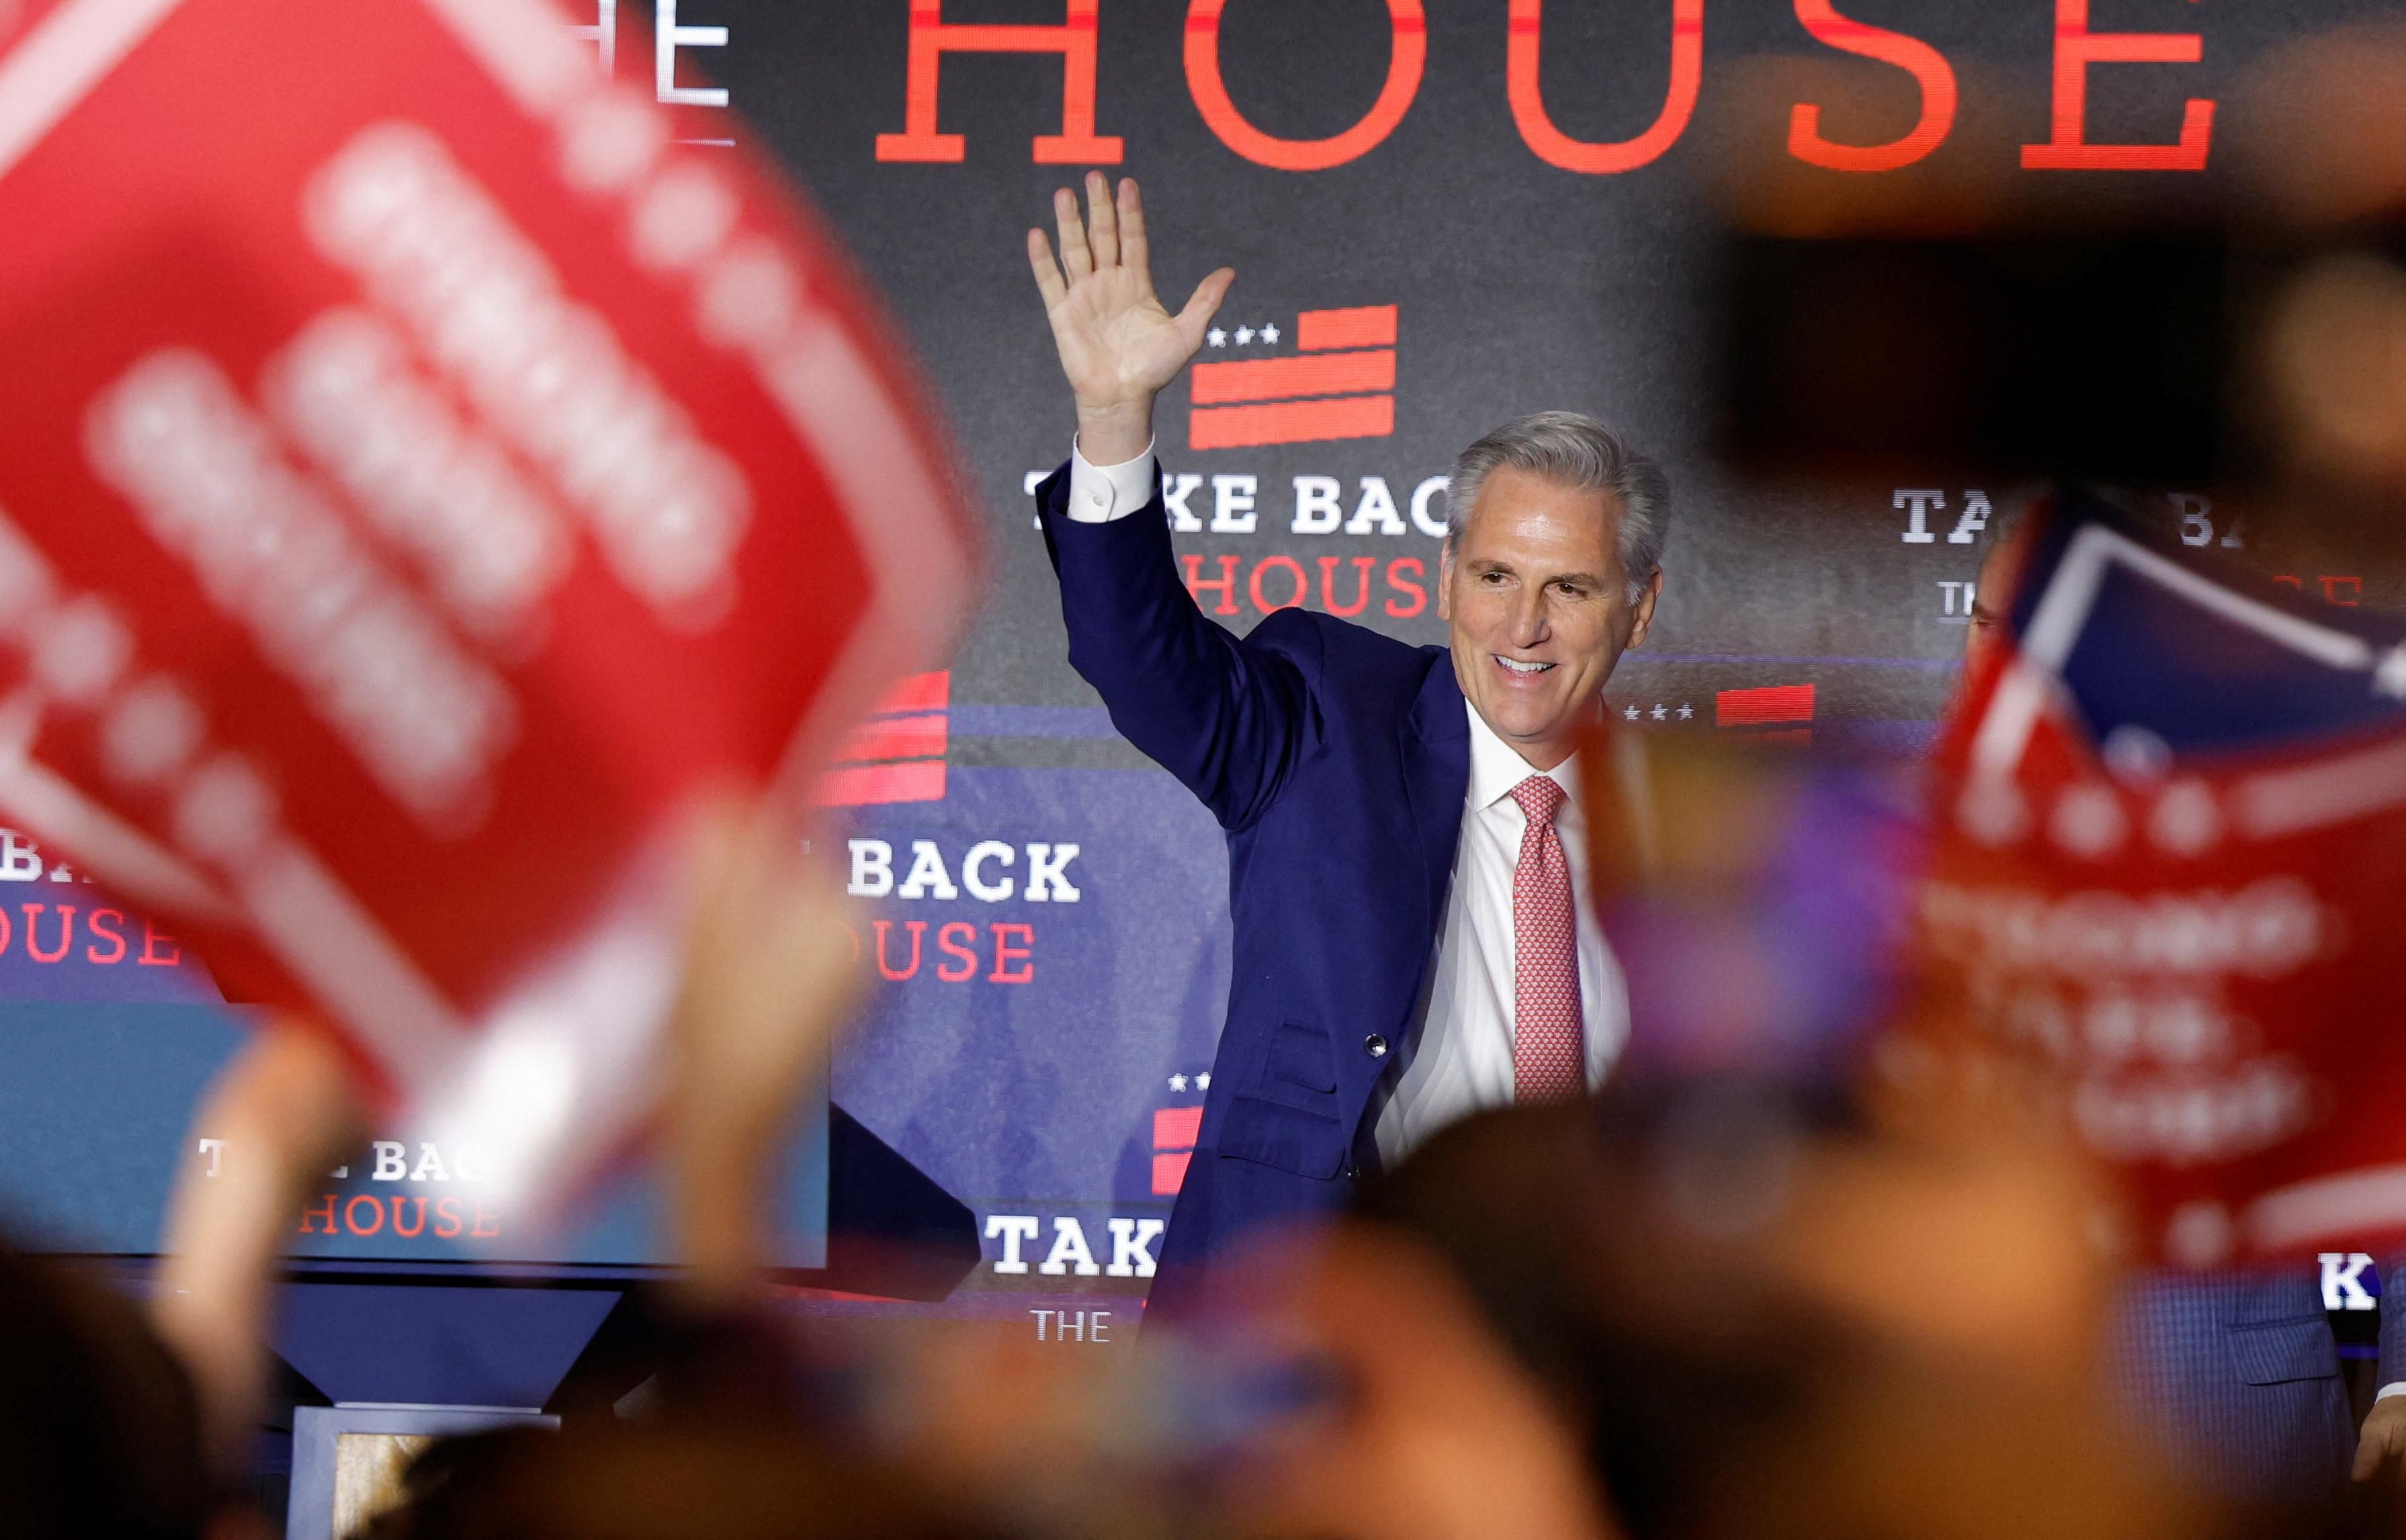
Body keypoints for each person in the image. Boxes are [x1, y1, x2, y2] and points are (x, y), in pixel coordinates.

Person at [1025, 173, 1669, 1305]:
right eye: (1493, 578)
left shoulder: (1706, 824)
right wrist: (1114, 419)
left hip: (1599, 1333)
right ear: (1446, 579)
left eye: (1568, 587)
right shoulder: (1329, 716)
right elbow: (1141, 663)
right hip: (1324, 1312)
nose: (1522, 627)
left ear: (1639, 607)